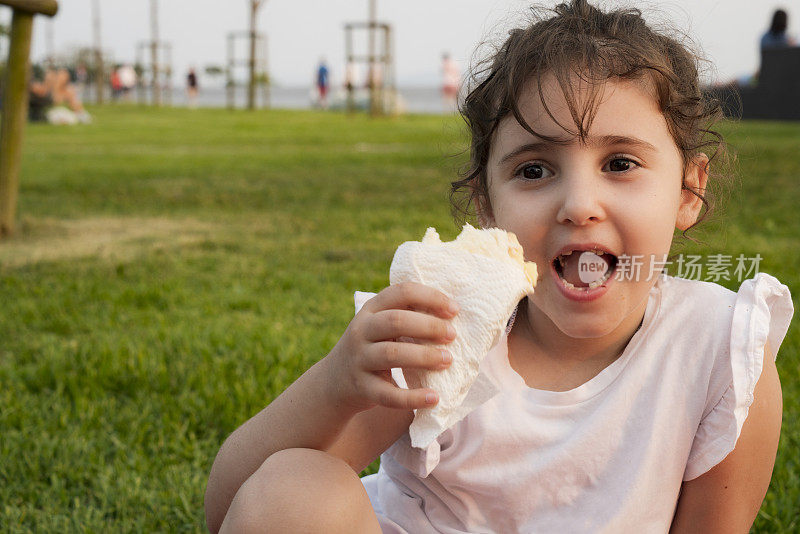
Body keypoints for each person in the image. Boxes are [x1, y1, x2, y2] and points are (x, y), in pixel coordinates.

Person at [204, 1, 794, 532]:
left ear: (689, 189)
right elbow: (233, 506)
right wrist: (335, 383)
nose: (580, 205)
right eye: (534, 170)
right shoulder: (440, 336)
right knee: (296, 492)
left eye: (620, 162)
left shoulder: (719, 351)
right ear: (487, 207)